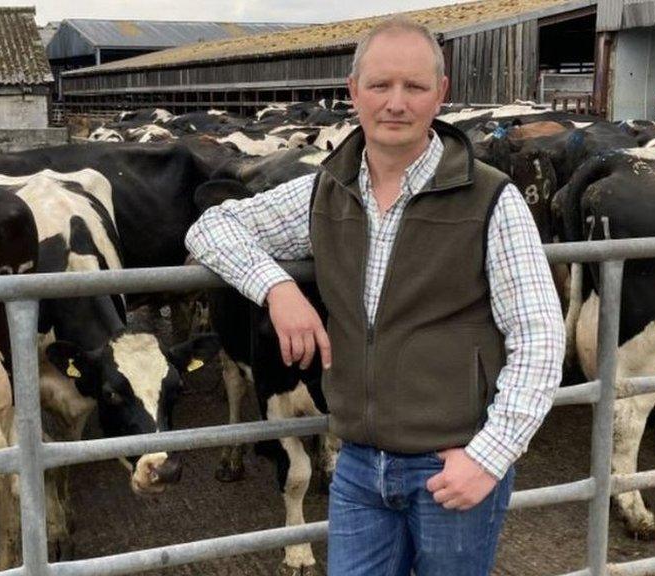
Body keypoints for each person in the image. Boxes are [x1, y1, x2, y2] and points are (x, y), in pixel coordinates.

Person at [185, 17, 565, 576]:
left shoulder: (490, 198)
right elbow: (210, 228)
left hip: (450, 464)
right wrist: (276, 286)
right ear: (352, 91)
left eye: (414, 87)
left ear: (441, 94)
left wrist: (489, 456)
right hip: (358, 464)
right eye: (380, 85)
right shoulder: (326, 189)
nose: (396, 103)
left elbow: (539, 336)